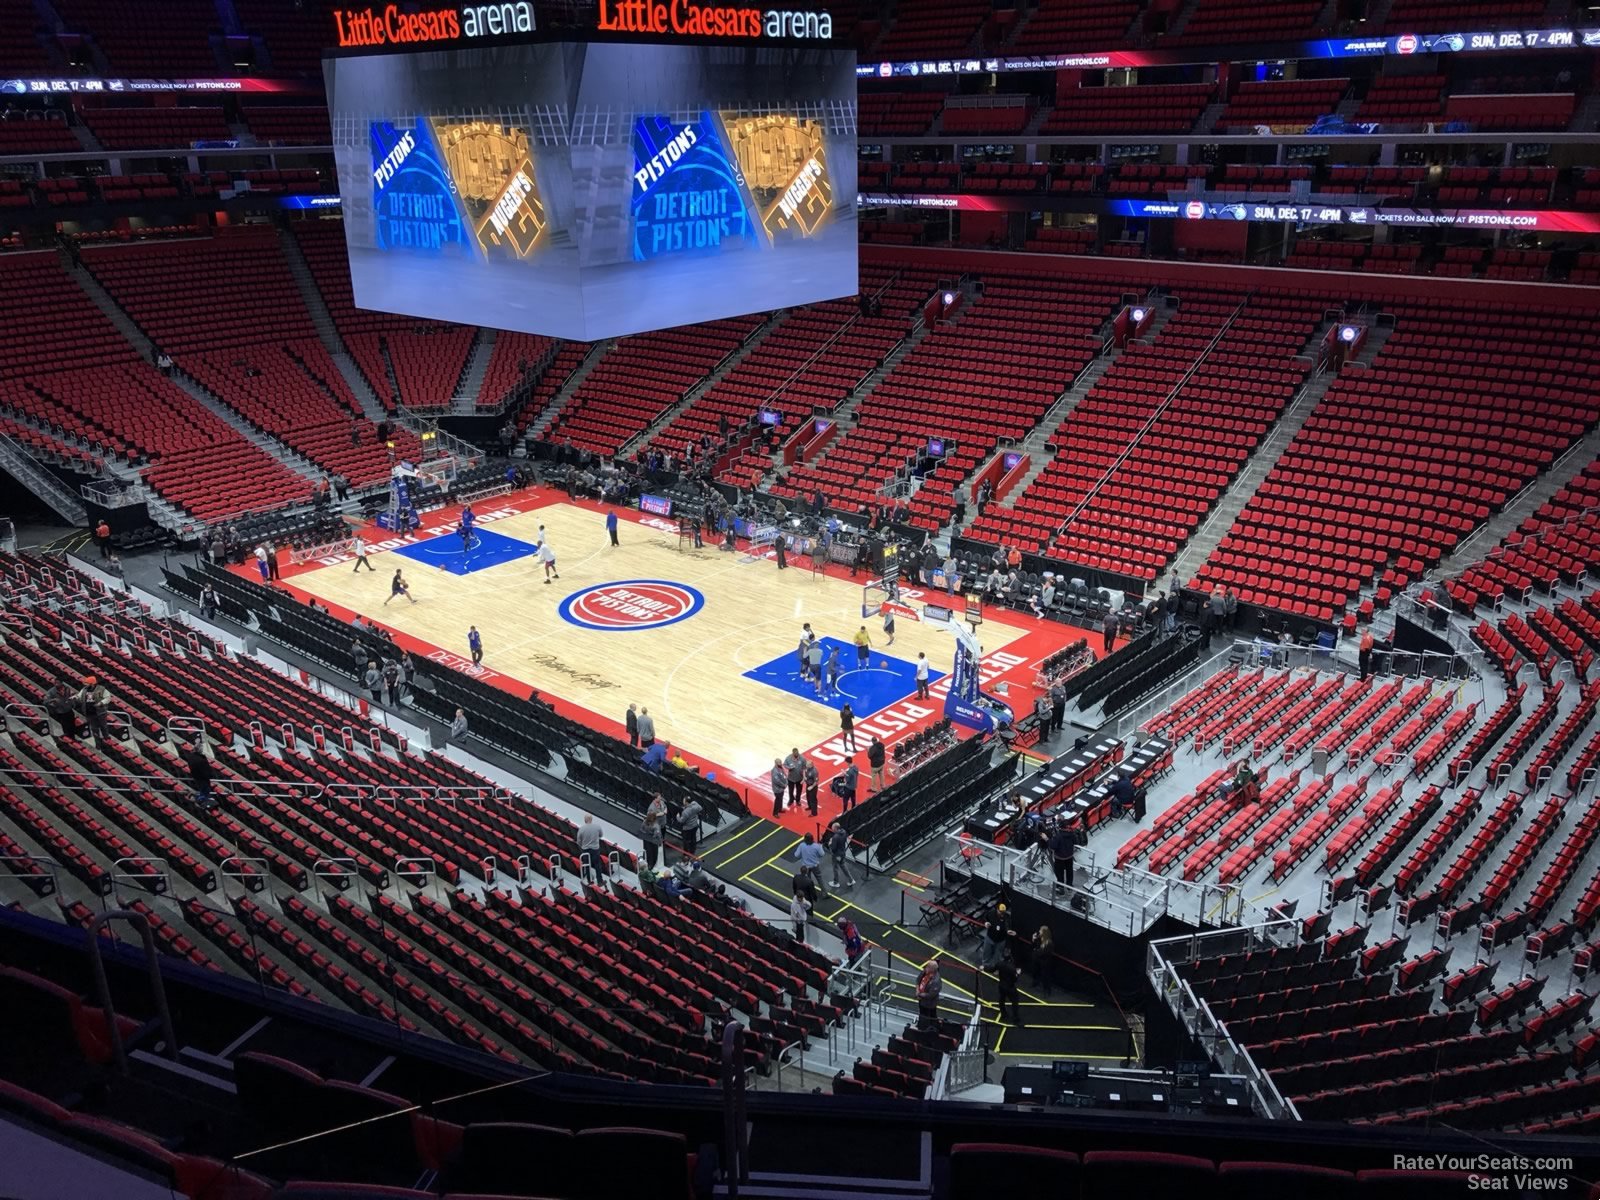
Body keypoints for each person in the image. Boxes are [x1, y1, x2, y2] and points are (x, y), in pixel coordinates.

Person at [183, 740, 215, 811]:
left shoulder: (190, 757)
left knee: (202, 790)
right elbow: (205, 771)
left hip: (196, 776)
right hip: (202, 778)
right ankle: (203, 803)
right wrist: (209, 775)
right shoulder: (201, 760)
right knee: (205, 791)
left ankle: (202, 801)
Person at [77, 676, 111, 743]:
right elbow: (79, 696)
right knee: (94, 728)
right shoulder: (84, 690)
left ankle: (107, 739)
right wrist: (75, 697)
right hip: (89, 713)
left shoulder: (101, 689)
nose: (85, 685)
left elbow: (108, 698)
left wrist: (101, 703)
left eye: (87, 683)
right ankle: (98, 742)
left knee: (103, 726)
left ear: (92, 684)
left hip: (100, 712)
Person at [793, 833, 828, 898]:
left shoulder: (802, 845)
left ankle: (810, 893)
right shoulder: (817, 846)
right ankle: (824, 893)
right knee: (819, 878)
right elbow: (822, 854)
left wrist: (802, 855)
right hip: (815, 865)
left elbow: (796, 855)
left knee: (808, 880)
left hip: (805, 867)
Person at [996, 951, 1023, 1026]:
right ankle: (1015, 1019)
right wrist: (1017, 974)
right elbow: (1014, 980)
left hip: (1001, 986)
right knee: (1015, 1002)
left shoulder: (999, 964)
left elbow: (993, 969)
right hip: (1010, 988)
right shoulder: (1012, 968)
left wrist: (984, 967)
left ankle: (1003, 1014)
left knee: (1001, 1000)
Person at [979, 904, 1009, 969]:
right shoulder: (991, 913)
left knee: (997, 955)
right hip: (990, 937)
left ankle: (995, 967)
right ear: (997, 910)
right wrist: (986, 922)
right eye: (1000, 911)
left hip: (1000, 940)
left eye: (1003, 911)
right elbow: (985, 917)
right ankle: (985, 965)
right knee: (986, 953)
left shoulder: (1006, 917)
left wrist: (1008, 930)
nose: (1002, 913)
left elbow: (1008, 926)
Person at [1050, 819, 1078, 891]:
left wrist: (1047, 839)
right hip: (1069, 856)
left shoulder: (1058, 836)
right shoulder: (1072, 834)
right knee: (1069, 871)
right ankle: (1069, 886)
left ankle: (1060, 887)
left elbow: (1053, 846)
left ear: (1060, 827)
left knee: (1060, 873)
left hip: (1059, 858)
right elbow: (1075, 842)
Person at [827, 820, 856, 888]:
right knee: (843, 866)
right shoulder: (844, 832)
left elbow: (833, 848)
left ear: (836, 828)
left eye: (833, 829)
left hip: (836, 855)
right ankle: (851, 880)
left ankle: (836, 882)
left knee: (835, 868)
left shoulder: (835, 837)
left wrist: (830, 843)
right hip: (843, 852)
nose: (832, 830)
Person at [640, 795, 665, 869]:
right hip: (653, 842)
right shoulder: (656, 826)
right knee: (653, 855)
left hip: (646, 840)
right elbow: (657, 835)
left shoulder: (644, 822)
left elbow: (641, 830)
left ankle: (648, 864)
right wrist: (660, 842)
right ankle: (651, 866)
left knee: (647, 852)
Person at [916, 958, 942, 1028]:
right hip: (921, 1001)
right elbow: (918, 980)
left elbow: (931, 995)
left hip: (929, 1004)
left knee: (931, 1017)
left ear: (933, 969)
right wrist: (917, 990)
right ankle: (921, 1025)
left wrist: (919, 995)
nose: (926, 967)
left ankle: (932, 1028)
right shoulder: (925, 972)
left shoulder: (936, 981)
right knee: (922, 1014)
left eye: (928, 967)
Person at [576, 814, 604, 879]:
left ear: (585, 820)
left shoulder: (581, 829)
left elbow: (578, 841)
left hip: (585, 849)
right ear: (591, 819)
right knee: (597, 864)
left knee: (587, 864)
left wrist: (582, 846)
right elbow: (601, 835)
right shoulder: (597, 827)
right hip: (595, 849)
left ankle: (589, 879)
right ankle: (599, 880)